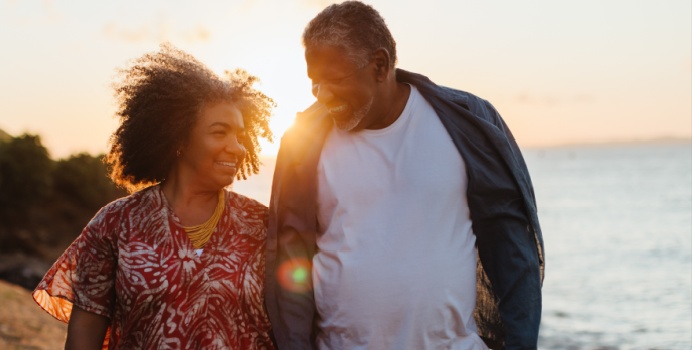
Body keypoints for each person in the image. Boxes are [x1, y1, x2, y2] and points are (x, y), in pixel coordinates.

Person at [264, 2, 544, 349]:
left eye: (333, 80)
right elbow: (293, 257)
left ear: (379, 65)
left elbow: (512, 250)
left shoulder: (467, 122)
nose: (322, 95)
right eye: (314, 83)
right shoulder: (303, 144)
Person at [32, 44, 276, 350]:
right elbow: (85, 329)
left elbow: (299, 317)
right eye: (219, 132)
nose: (237, 147)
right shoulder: (116, 223)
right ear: (178, 138)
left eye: (240, 136)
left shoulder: (262, 226)